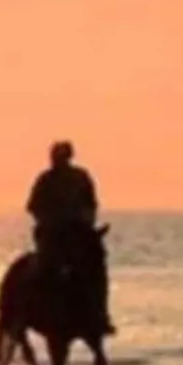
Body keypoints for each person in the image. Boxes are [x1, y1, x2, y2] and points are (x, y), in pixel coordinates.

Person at [25, 140, 115, 334]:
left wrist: (86, 221)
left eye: (61, 157)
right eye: (56, 157)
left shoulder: (81, 177)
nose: (57, 161)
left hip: (77, 231)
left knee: (96, 267)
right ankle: (37, 310)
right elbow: (32, 206)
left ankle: (101, 314)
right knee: (45, 266)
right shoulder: (46, 179)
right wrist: (50, 219)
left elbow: (91, 203)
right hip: (52, 233)